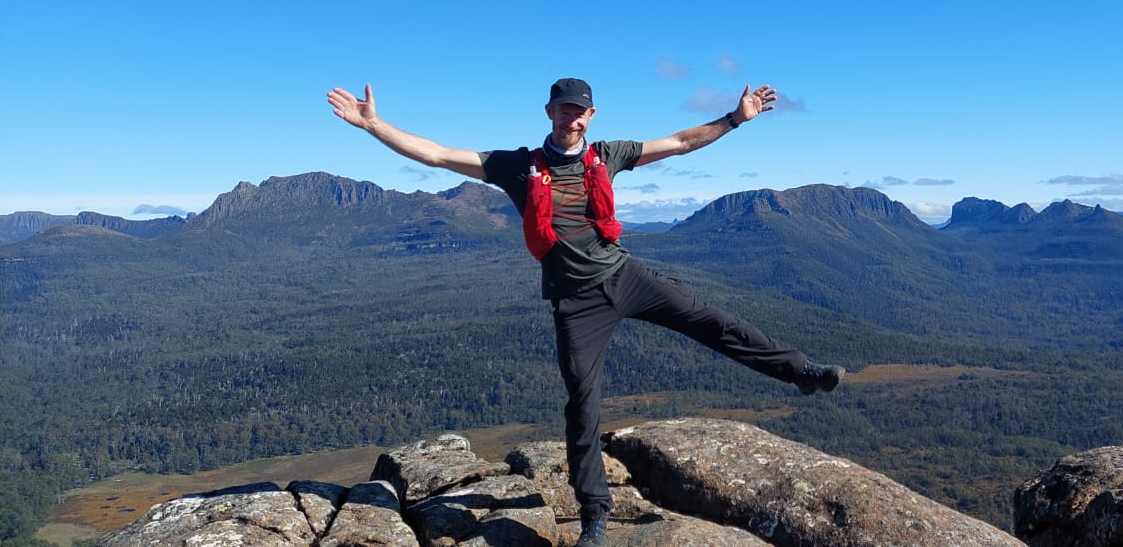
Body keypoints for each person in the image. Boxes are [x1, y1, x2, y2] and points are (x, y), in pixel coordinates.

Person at [326, 77, 845, 547]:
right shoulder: (519, 166)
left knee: (713, 321)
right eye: (563, 110)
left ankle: (802, 372)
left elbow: (681, 143)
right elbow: (437, 155)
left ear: (590, 117)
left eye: (580, 112)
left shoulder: (608, 154)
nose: (570, 119)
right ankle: (595, 515)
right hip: (575, 303)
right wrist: (374, 126)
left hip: (626, 277)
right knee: (583, 406)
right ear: (549, 112)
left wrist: (734, 119)